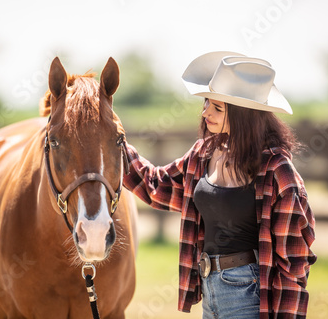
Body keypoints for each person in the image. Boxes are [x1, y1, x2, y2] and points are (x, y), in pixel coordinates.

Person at [123, 51, 317, 318]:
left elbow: (294, 262)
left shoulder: (277, 171)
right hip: (209, 287)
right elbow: (157, 186)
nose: (204, 113)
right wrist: (113, 144)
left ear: (243, 114)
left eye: (217, 107)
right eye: (206, 103)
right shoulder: (203, 154)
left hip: (248, 292)